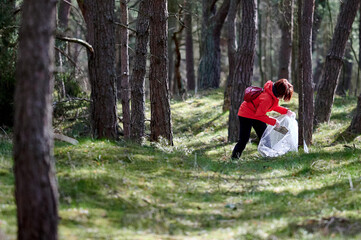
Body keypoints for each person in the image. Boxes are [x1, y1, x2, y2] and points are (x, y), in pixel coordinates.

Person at [231, 78, 295, 159]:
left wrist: (286, 111)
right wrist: (274, 121)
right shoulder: (267, 98)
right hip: (246, 114)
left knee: (265, 138)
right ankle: (234, 158)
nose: (282, 98)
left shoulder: (272, 94)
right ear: (280, 92)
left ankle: (268, 157)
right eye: (283, 95)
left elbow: (273, 106)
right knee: (244, 139)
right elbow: (259, 115)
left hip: (257, 114)